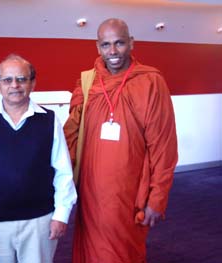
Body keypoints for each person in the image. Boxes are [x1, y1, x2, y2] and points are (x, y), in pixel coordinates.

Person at [63, 18, 178, 263]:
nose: (112, 51)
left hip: (129, 191)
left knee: (122, 253)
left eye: (119, 43)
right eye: (106, 45)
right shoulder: (86, 82)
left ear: (132, 43)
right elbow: (70, 137)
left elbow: (164, 147)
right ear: (97, 47)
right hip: (90, 190)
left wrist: (157, 198)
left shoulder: (150, 82)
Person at [0, 54, 77, 263]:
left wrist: (61, 214)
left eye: (22, 79)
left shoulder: (49, 121)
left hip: (40, 222)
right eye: (7, 80)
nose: (15, 85)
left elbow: (63, 172)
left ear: (33, 83)